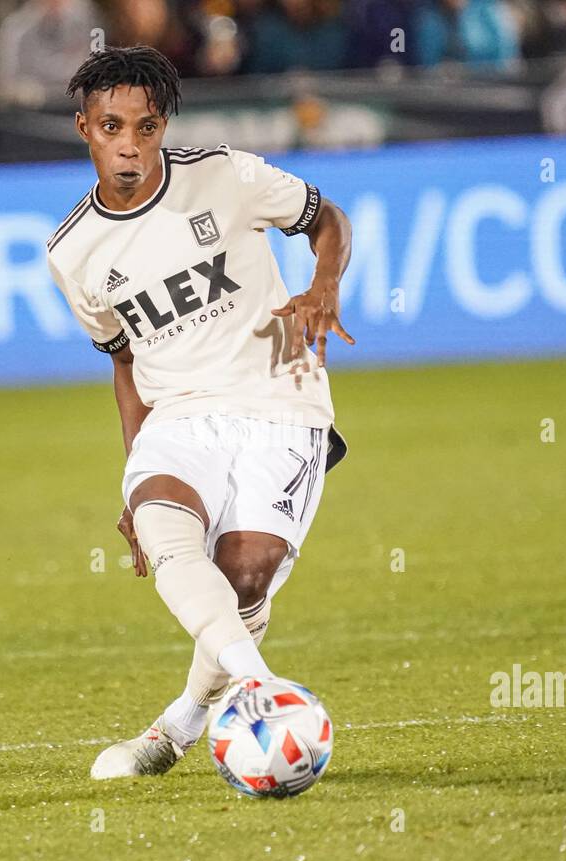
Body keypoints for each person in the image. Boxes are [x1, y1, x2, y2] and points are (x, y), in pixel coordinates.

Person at [44, 45, 354, 779]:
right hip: (178, 415)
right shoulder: (72, 252)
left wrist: (324, 285)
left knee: (245, 574)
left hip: (281, 400)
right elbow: (124, 362)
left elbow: (327, 218)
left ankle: (179, 724)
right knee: (165, 525)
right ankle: (259, 687)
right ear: (84, 125)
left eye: (146, 128)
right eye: (112, 126)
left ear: (161, 127)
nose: (130, 145)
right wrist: (131, 473)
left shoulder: (228, 176)